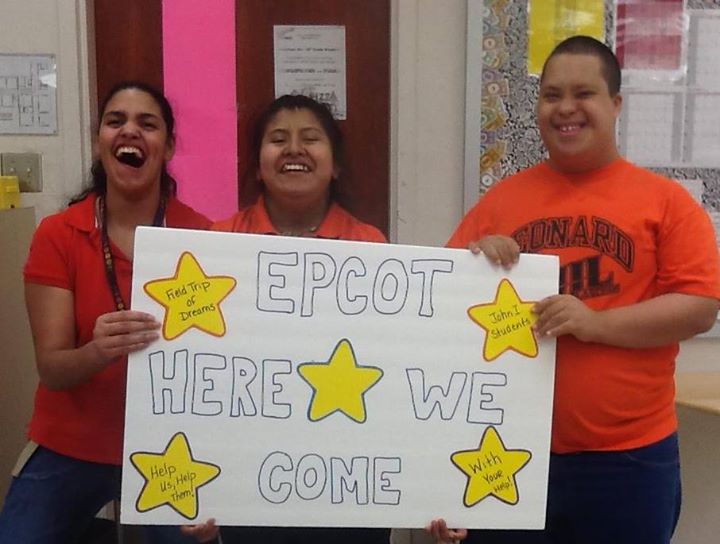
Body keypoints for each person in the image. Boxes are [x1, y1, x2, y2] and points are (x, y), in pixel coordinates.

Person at [428, 36, 720, 544]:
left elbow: (699, 308)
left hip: (627, 460)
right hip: (508, 451)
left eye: (584, 93)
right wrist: (475, 261)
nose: (566, 108)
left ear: (616, 104)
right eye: (552, 95)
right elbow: (441, 314)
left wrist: (595, 323)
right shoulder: (501, 202)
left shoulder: (666, 203)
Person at [0, 81, 218, 543]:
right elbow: (52, 369)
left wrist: (224, 481)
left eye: (148, 123)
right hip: (71, 441)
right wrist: (97, 351)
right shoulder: (58, 234)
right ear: (99, 141)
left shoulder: (201, 236)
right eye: (116, 121)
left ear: (168, 147)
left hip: (171, 446)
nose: (130, 131)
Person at [213, 94, 388, 543]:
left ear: (336, 165)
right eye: (277, 139)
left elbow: (391, 364)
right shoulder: (217, 244)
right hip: (246, 477)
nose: (294, 149)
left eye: (310, 138)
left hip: (348, 479)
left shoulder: (370, 246)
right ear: (257, 166)